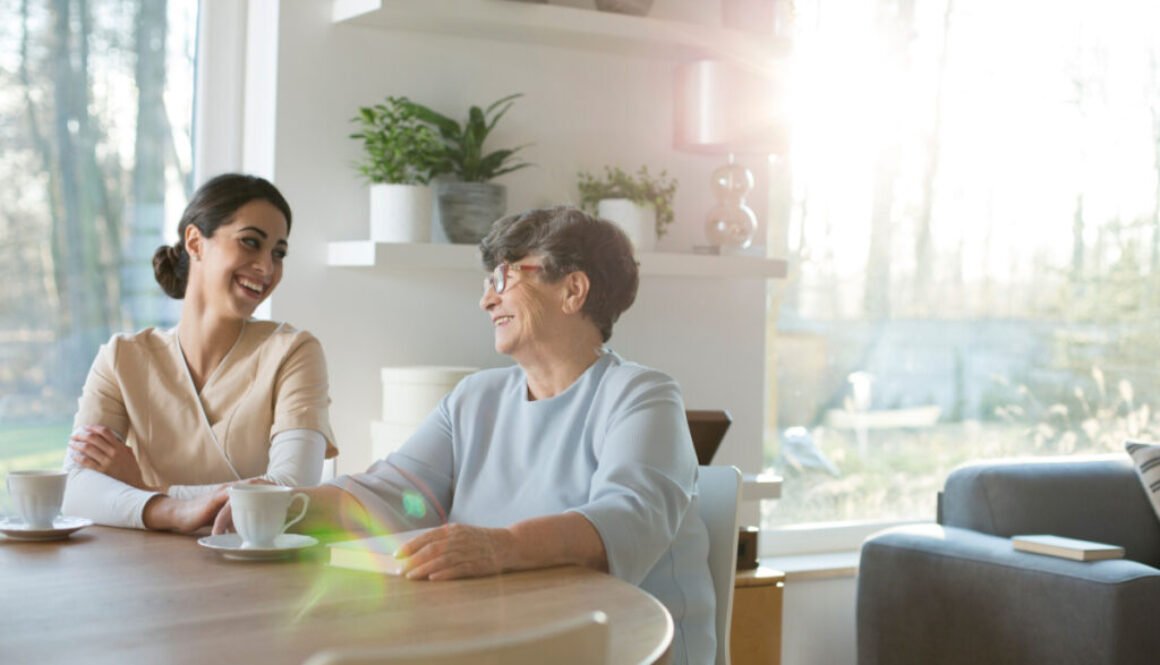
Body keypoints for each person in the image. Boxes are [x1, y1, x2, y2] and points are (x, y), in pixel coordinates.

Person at [216, 206, 715, 664]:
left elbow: (627, 522)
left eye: (504, 276)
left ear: (573, 290)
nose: (485, 299)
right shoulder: (476, 397)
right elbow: (397, 492)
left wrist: (501, 546)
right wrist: (286, 502)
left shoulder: (642, 395)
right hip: (509, 639)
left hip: (625, 648)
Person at [63, 173, 336, 532]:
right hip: (141, 571)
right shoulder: (121, 358)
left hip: (259, 571)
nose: (267, 267)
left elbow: (291, 489)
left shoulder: (293, 352)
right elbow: (74, 489)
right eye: (250, 242)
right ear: (195, 241)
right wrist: (174, 512)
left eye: (278, 253)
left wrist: (148, 490)